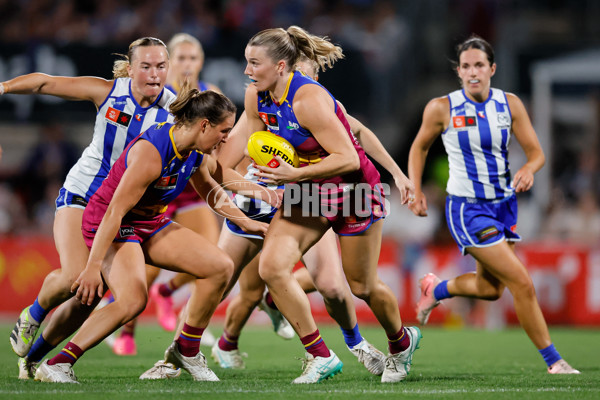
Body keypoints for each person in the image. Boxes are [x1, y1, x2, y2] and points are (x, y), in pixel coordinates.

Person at [34, 88, 270, 383]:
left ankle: (186, 349)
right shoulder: (153, 151)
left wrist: (247, 221)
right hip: (113, 224)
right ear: (204, 125)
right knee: (132, 300)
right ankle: (57, 363)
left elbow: (210, 189)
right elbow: (114, 211)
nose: (226, 139)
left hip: (149, 221)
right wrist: (93, 267)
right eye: (224, 131)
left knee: (220, 267)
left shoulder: (194, 150)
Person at [209, 55, 414, 374]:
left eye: (307, 78)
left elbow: (354, 150)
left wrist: (398, 175)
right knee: (267, 271)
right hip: (304, 194)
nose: (248, 71)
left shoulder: (316, 102)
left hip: (353, 193)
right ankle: (318, 355)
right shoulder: (261, 100)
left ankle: (398, 343)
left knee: (358, 287)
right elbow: (226, 163)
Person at [3, 37, 179, 378]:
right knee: (75, 277)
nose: (154, 74)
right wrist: (3, 86)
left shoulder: (175, 110)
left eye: (161, 66)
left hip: (121, 211)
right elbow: (46, 83)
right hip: (83, 195)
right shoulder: (109, 92)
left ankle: (33, 359)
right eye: (146, 66)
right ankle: (33, 315)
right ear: (131, 69)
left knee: (90, 293)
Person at [408, 35, 579, 375]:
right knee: (522, 283)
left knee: (490, 290)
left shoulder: (509, 104)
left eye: (480, 65)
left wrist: (529, 169)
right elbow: (419, 148)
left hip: (503, 204)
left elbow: (536, 153)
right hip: (467, 209)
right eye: (467, 66)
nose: (473, 72)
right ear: (459, 71)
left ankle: (435, 288)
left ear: (492, 69)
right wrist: (415, 189)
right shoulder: (442, 107)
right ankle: (554, 361)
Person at [111, 33, 223, 356]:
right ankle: (127, 329)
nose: (187, 64)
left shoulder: (210, 95)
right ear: (170, 61)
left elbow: (218, 146)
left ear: (201, 62)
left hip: (188, 189)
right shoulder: (162, 95)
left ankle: (177, 308)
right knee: (149, 265)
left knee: (212, 255)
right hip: (154, 189)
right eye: (182, 58)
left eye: (193, 58)